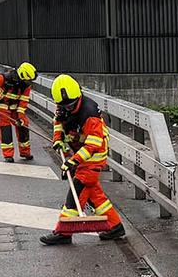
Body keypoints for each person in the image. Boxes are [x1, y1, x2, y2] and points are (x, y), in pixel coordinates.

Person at [41, 75, 126, 245]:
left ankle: (63, 232)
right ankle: (115, 227)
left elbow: (94, 144)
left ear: (78, 96)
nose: (68, 108)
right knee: (96, 196)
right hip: (81, 155)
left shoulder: (90, 114)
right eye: (64, 106)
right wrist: (57, 138)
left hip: (93, 158)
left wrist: (74, 161)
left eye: (71, 105)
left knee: (74, 196)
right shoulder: (63, 105)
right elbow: (58, 121)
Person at [0, 62, 37, 161]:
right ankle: (8, 155)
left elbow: (24, 101)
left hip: (15, 107)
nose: (29, 82)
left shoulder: (26, 86)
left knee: (23, 125)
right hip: (1, 105)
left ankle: (25, 152)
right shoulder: (4, 78)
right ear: (22, 75)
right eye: (28, 79)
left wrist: (21, 116)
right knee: (5, 127)